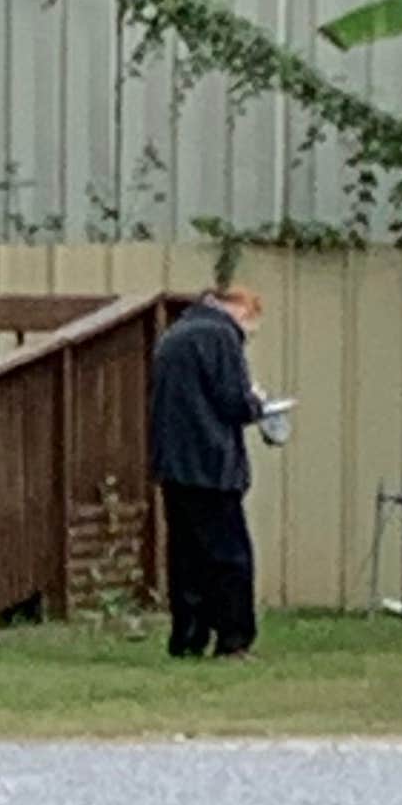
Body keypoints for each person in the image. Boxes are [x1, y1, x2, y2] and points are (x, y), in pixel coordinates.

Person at [148, 282, 268, 660]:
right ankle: (233, 639)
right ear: (243, 311)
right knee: (229, 555)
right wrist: (257, 404)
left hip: (173, 462)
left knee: (186, 556)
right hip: (212, 463)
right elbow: (232, 400)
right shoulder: (220, 336)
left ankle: (188, 637)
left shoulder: (176, 334)